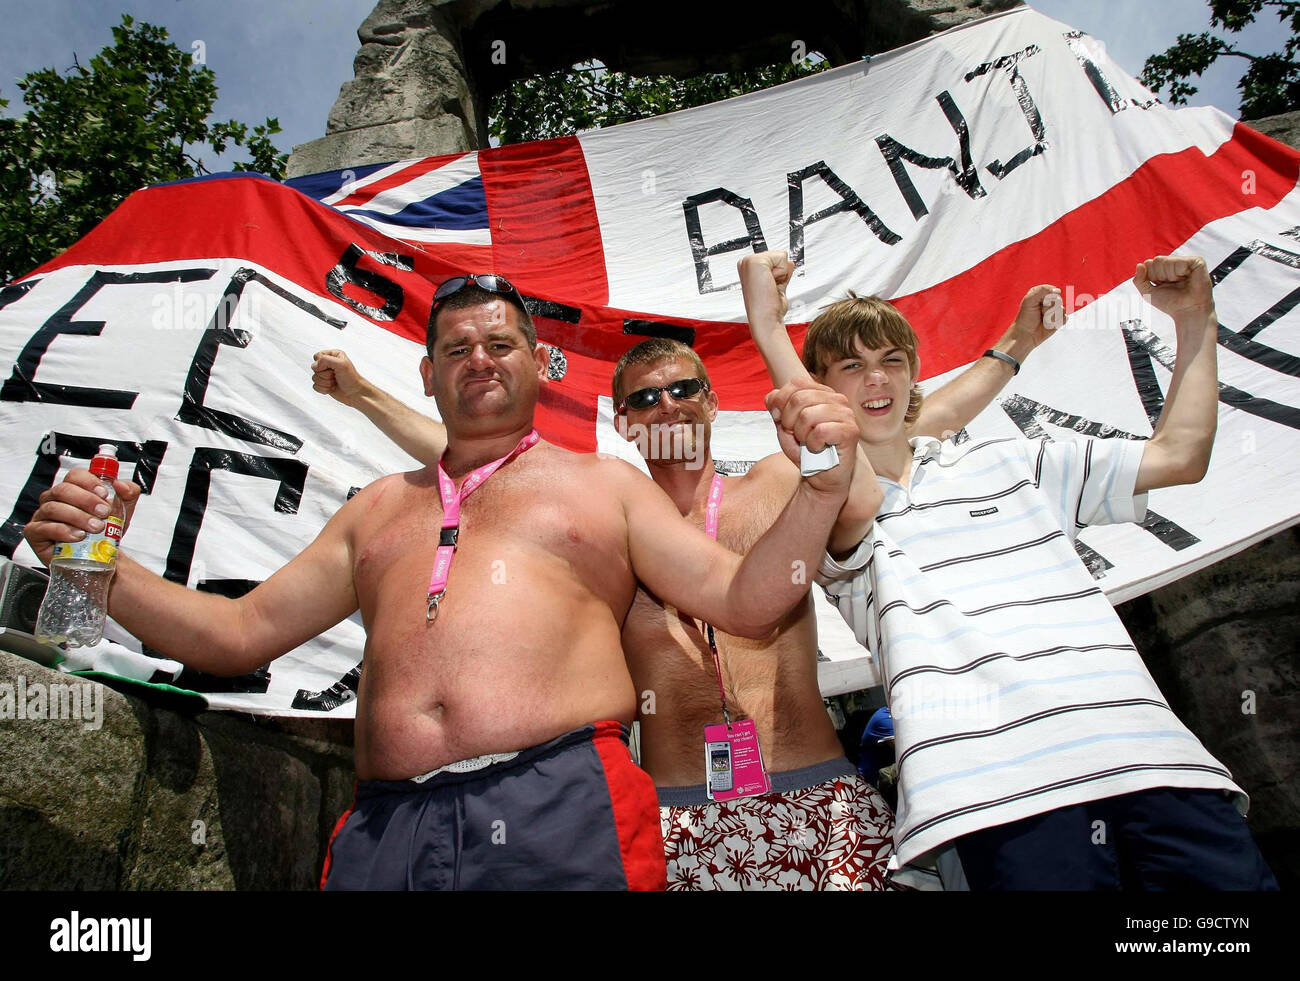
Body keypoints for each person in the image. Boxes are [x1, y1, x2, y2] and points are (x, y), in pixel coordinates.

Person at [23, 272, 863, 892]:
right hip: (387, 825)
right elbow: (237, 634)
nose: (479, 359)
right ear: (427, 376)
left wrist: (823, 483)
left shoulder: (605, 487)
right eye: (455, 348)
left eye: (500, 344)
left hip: (561, 809)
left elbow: (749, 597)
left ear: (542, 366)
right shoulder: (376, 510)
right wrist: (98, 568)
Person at [313, 255, 1051, 889]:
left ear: (713, 399)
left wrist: (1013, 344)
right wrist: (365, 396)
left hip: (816, 799)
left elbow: (888, 441)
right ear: (623, 421)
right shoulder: (602, 526)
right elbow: (473, 468)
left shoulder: (775, 484)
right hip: (676, 820)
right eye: (642, 398)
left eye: (683, 389)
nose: (665, 404)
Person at [747, 252, 1279, 890]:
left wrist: (1197, 321)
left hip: (1154, 761)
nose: (876, 378)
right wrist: (768, 328)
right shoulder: (830, 506)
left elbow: (1180, 455)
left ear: (914, 371)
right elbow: (843, 470)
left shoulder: (1012, 460)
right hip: (995, 795)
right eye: (851, 367)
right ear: (824, 391)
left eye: (891, 359)